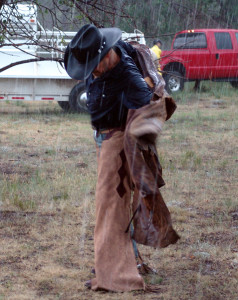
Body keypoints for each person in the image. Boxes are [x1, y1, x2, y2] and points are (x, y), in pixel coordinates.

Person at [64, 24, 179, 292]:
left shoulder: (128, 77)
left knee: (110, 210)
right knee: (114, 207)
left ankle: (116, 276)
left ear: (106, 55)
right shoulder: (107, 54)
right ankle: (119, 262)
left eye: (94, 65)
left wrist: (136, 138)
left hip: (116, 142)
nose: (90, 73)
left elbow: (153, 110)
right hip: (102, 139)